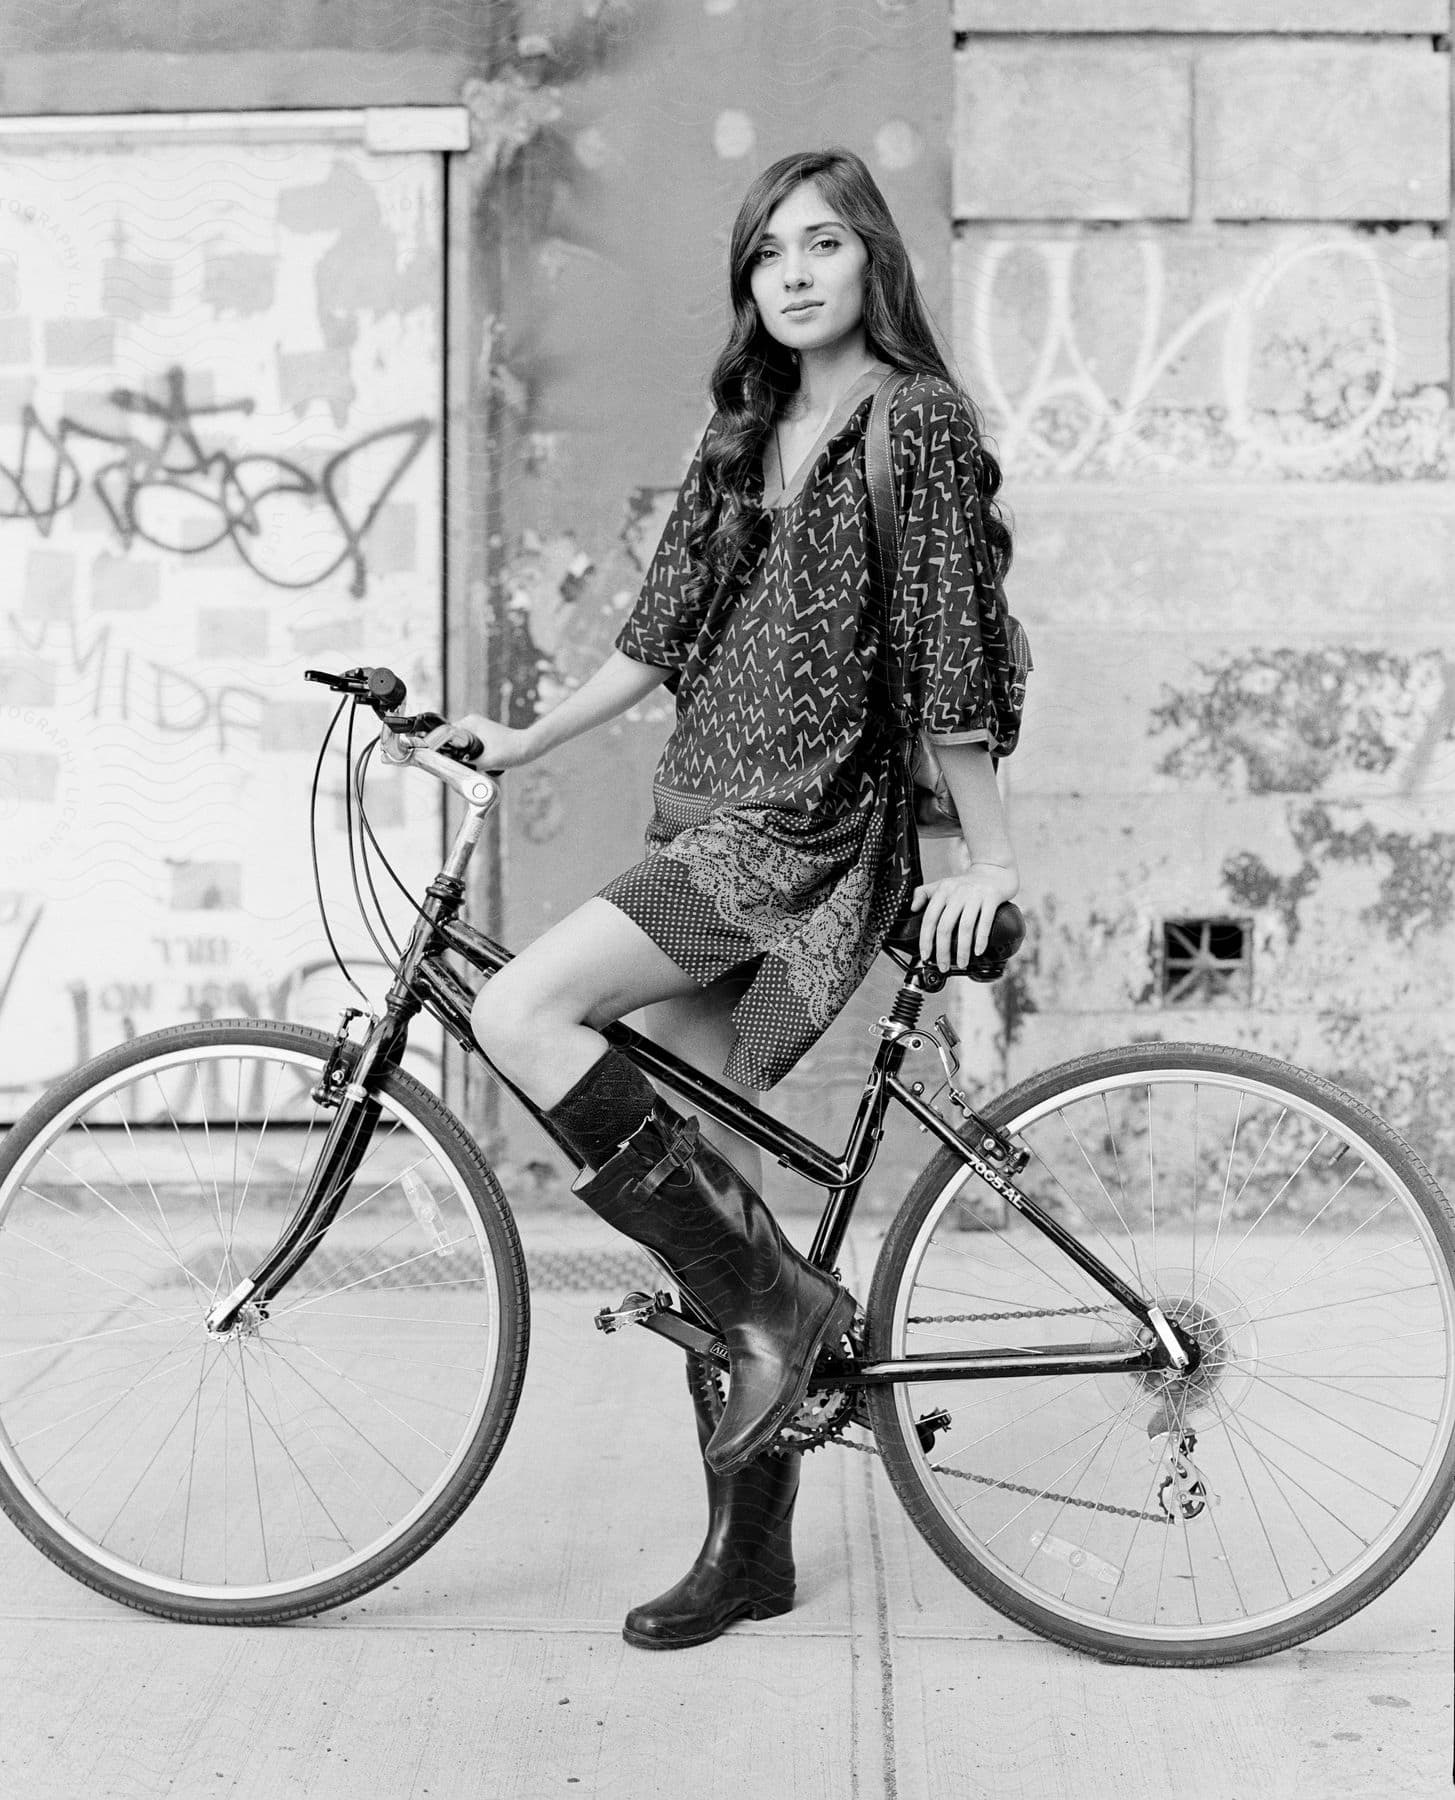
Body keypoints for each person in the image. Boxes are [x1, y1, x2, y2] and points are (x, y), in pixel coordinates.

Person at [435, 146, 1022, 1650]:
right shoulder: (748, 425)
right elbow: (660, 631)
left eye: (825, 244)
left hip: (793, 836)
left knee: (521, 1005)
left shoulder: (919, 424)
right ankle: (748, 1550)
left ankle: (784, 1316)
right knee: (707, 1189)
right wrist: (522, 740)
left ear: (872, 259)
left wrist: (988, 852)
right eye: (770, 254)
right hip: (706, 813)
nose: (796, 274)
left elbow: (955, 649)